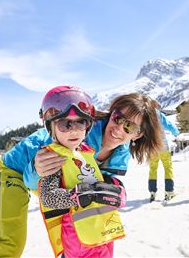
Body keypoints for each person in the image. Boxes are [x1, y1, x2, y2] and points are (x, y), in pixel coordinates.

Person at [0, 87, 163, 258]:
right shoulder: (75, 133)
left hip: (58, 181)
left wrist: (116, 192)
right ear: (112, 114)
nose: (118, 129)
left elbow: (99, 185)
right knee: (11, 245)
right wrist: (40, 170)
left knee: (74, 232)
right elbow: (34, 184)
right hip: (16, 171)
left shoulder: (120, 154)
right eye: (117, 118)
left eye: (129, 127)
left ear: (138, 135)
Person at [38, 86, 126, 257]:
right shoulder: (54, 158)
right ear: (51, 127)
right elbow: (48, 197)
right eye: (65, 124)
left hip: (104, 234)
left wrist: (116, 190)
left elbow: (101, 180)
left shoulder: (87, 153)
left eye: (81, 122)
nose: (74, 129)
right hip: (77, 241)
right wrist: (77, 195)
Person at [148, 100, 179, 202]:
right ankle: (169, 192)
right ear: (155, 106)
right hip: (162, 146)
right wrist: (176, 133)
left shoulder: (145, 116)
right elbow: (169, 125)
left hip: (151, 148)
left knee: (153, 170)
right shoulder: (159, 114)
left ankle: (152, 192)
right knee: (168, 168)